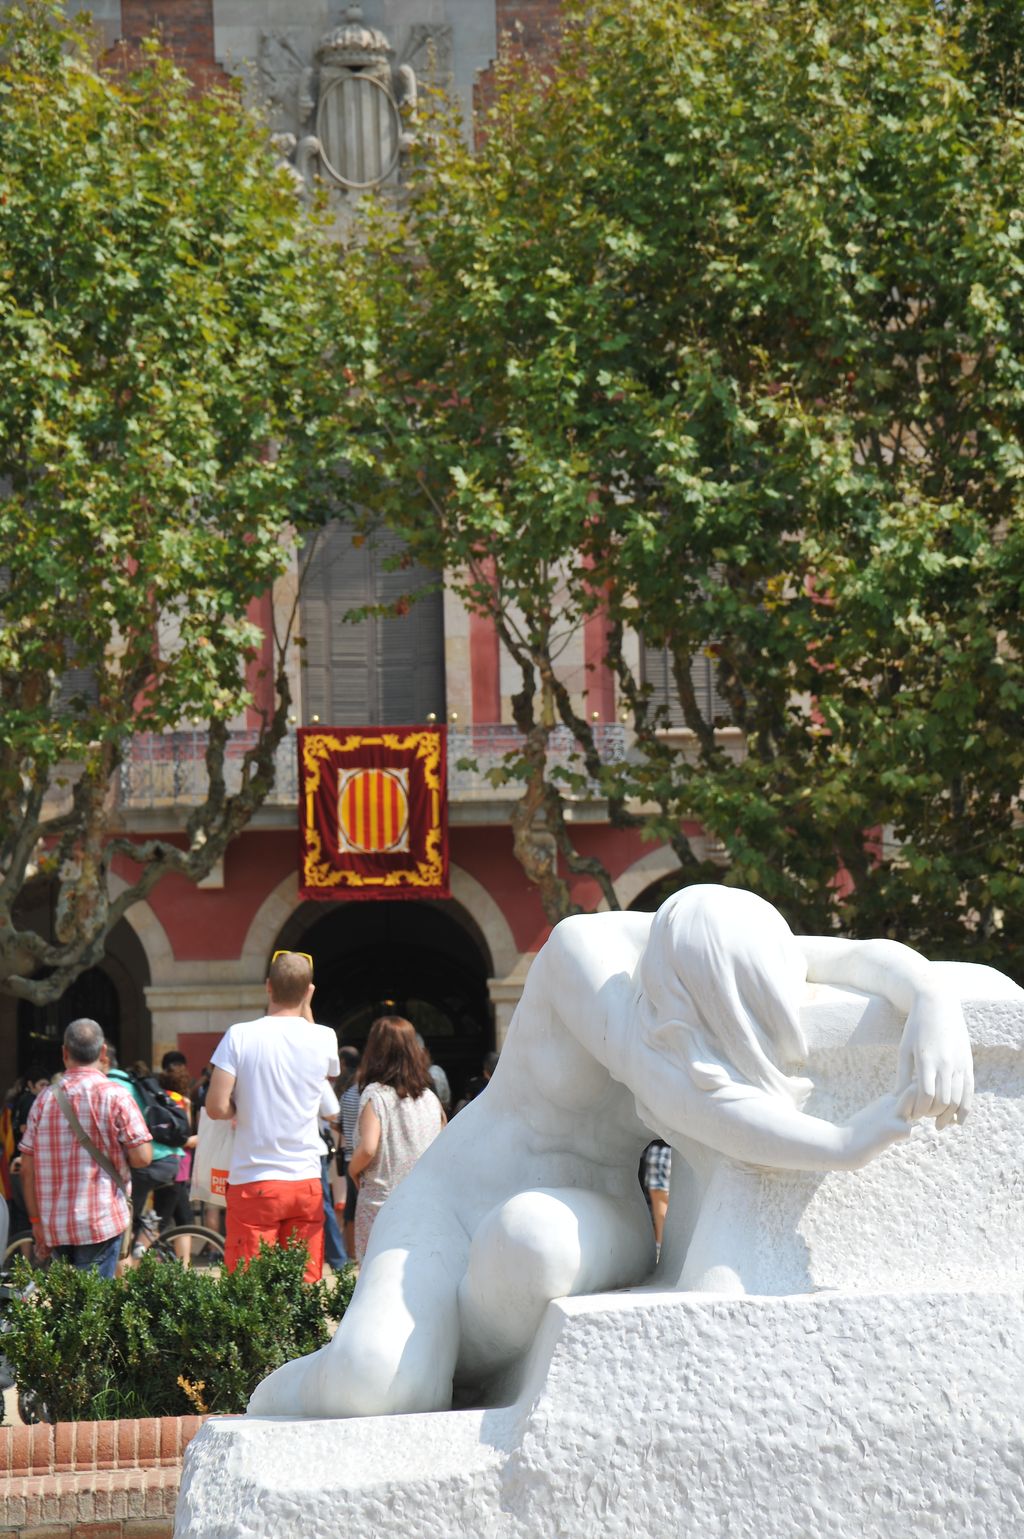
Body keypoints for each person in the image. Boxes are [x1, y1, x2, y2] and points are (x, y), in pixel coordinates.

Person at [249, 886, 974, 1419]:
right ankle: (283, 1389)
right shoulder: (584, 956)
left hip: (589, 1215)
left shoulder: (738, 945)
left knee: (530, 1240)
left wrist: (932, 998)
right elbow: (700, 1102)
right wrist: (846, 1142)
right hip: (451, 1198)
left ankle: (460, 1357)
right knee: (375, 1383)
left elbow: (855, 958)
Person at [205, 950, 340, 1282]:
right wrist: (306, 1001)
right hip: (305, 1178)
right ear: (309, 991)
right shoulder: (324, 1037)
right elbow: (328, 1075)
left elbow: (216, 1106)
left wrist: (239, 1109)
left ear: (268, 987)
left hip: (254, 1179)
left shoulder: (239, 1035)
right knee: (303, 1284)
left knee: (250, 1289)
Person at [18, 1019, 153, 1277]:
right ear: (103, 1053)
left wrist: (36, 1221)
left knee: (70, 1306)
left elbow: (27, 1168)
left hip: (55, 1224)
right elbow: (143, 1157)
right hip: (100, 1220)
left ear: (64, 1053)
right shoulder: (116, 1095)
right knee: (93, 1308)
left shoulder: (44, 1099)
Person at [348, 1016, 445, 1263]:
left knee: (377, 1279)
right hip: (424, 1204)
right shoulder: (429, 1099)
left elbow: (368, 1148)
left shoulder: (375, 1096)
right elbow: (445, 1145)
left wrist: (352, 1169)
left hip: (383, 1204)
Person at [106, 1046, 185, 1256]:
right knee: (148, 1217)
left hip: (149, 1161)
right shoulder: (133, 1083)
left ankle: (131, 1260)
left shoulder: (112, 1087)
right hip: (170, 1159)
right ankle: (143, 1247)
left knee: (121, 1222)